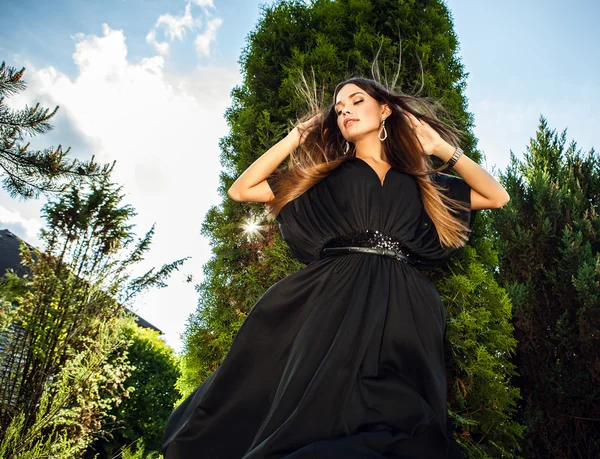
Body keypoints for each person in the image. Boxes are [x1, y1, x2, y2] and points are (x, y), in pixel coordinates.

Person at [161, 76, 510, 458]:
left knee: (405, 415)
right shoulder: (323, 177)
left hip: (405, 306)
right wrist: (298, 135)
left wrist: (443, 149)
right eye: (340, 107)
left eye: (357, 101)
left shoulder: (423, 183)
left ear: (385, 109)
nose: (345, 110)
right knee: (322, 404)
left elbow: (497, 196)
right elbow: (242, 189)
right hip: (333, 295)